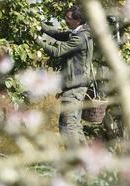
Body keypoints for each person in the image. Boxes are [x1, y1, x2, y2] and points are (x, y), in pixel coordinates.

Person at [36, 5, 94, 146]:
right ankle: (86, 164)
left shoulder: (80, 38)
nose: (65, 20)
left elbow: (57, 51)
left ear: (78, 19)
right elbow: (56, 34)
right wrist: (37, 23)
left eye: (68, 18)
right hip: (76, 86)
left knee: (67, 126)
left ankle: (74, 162)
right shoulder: (77, 32)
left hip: (75, 87)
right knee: (75, 125)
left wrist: (36, 38)